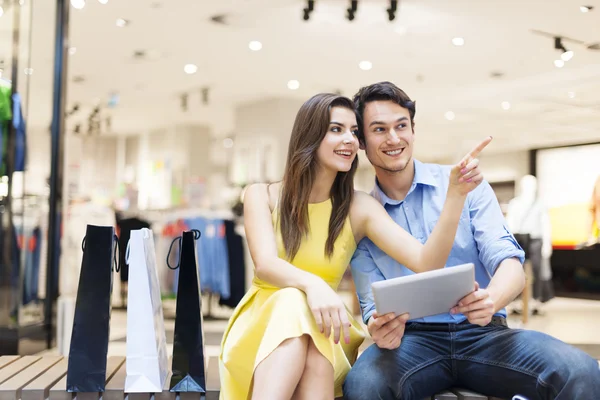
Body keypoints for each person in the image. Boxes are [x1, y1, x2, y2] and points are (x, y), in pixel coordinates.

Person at [218, 93, 491, 400]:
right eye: (336, 129)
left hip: (326, 326)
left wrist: (455, 195)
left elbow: (426, 262)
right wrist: (312, 287)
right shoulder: (261, 195)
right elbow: (266, 264)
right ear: (310, 135)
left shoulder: (359, 207)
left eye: (353, 132)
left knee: (316, 355)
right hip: (265, 324)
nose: (349, 139)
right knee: (293, 304)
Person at [343, 81, 600, 400]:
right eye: (379, 129)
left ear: (412, 130)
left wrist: (492, 298)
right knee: (363, 385)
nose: (394, 138)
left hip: (484, 334)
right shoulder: (362, 214)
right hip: (411, 343)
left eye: (401, 126)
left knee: (583, 371)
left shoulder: (465, 185)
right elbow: (371, 307)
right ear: (363, 142)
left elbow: (510, 264)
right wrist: (378, 327)